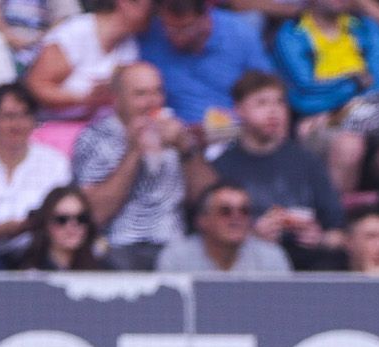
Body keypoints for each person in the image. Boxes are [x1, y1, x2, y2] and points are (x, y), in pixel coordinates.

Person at [72, 63, 217, 271]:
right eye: (140, 94)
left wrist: (187, 150)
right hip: (116, 245)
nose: (152, 102)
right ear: (117, 100)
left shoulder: (177, 133)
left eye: (157, 92)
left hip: (173, 244)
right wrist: (134, 153)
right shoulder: (95, 138)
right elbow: (95, 215)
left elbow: (211, 202)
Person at [212, 71, 347, 270]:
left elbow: (340, 234)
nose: (273, 111)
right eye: (262, 103)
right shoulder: (222, 166)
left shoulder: (307, 162)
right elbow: (208, 235)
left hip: (307, 262)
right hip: (247, 264)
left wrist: (320, 238)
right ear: (239, 110)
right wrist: (252, 235)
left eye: (280, 102)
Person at [272, 0, 379, 192]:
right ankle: (337, 219)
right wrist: (354, 82)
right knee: (348, 146)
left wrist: (344, 94)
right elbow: (304, 97)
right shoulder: (291, 35)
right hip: (323, 120)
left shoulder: (366, 27)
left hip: (374, 115)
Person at [22, 0, 152, 150]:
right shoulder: (76, 32)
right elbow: (36, 86)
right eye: (150, 6)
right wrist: (86, 98)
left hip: (100, 135)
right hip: (51, 130)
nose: (154, 13)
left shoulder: (130, 46)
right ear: (125, 3)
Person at [139, 0, 272, 128]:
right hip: (171, 136)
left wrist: (238, 117)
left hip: (234, 134)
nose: (176, 36)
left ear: (205, 18)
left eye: (185, 28)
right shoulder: (152, 36)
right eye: (169, 27)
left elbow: (265, 89)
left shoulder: (239, 34)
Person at [0, 83, 71, 268]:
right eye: (9, 116)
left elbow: (63, 215)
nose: (17, 124)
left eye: (25, 115)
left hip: (35, 252)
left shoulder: (54, 162)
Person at [156, 180, 294, 272]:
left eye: (244, 211)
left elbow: (282, 312)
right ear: (202, 220)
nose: (236, 218)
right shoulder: (176, 258)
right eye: (225, 211)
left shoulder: (272, 258)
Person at [16, 185, 110, 270]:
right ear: (46, 223)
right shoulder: (21, 268)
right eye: (62, 219)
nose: (72, 226)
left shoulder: (103, 271)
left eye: (81, 218)